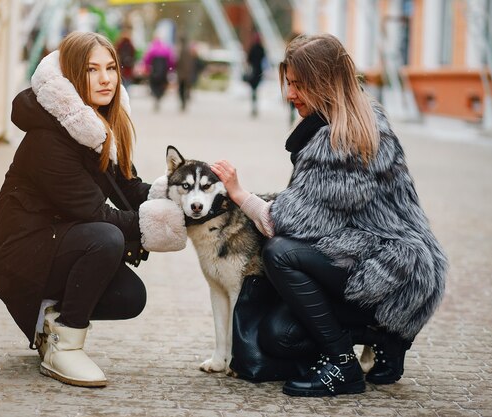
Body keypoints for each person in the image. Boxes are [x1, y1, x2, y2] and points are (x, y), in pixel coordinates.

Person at [211, 34, 447, 397]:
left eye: (299, 85)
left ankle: (342, 365)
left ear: (326, 83)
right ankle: (383, 336)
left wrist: (239, 193)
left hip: (391, 271)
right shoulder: (351, 122)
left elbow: (288, 223)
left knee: (281, 253)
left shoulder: (345, 139)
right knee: (278, 336)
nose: (290, 94)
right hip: (373, 260)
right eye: (289, 83)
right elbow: (314, 211)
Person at [0, 31, 186, 388]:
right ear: (73, 77)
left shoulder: (97, 126)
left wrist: (181, 194)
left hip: (57, 237)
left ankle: (49, 320)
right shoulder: (48, 137)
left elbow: (128, 186)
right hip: (15, 249)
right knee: (105, 238)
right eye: (92, 70)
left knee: (129, 297)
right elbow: (98, 214)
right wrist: (156, 229)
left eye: (110, 68)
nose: (106, 79)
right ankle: (65, 344)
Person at [143, 37, 175, 111]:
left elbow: (147, 59)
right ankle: (159, 96)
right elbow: (171, 60)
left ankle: (156, 95)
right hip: (163, 71)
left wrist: (147, 67)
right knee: (162, 85)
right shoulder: (166, 49)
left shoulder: (152, 49)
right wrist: (171, 68)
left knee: (153, 84)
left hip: (154, 71)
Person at [245, 33, 266, 117]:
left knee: (253, 89)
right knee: (255, 88)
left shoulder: (252, 48)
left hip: (253, 71)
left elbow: (248, 59)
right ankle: (255, 103)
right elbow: (263, 58)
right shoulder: (261, 49)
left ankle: (254, 104)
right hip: (259, 71)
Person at [175, 36, 196, 112]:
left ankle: (183, 102)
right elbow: (191, 63)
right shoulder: (188, 50)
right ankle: (184, 102)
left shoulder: (181, 50)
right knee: (184, 89)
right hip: (187, 73)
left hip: (182, 74)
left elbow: (178, 62)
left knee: (181, 89)